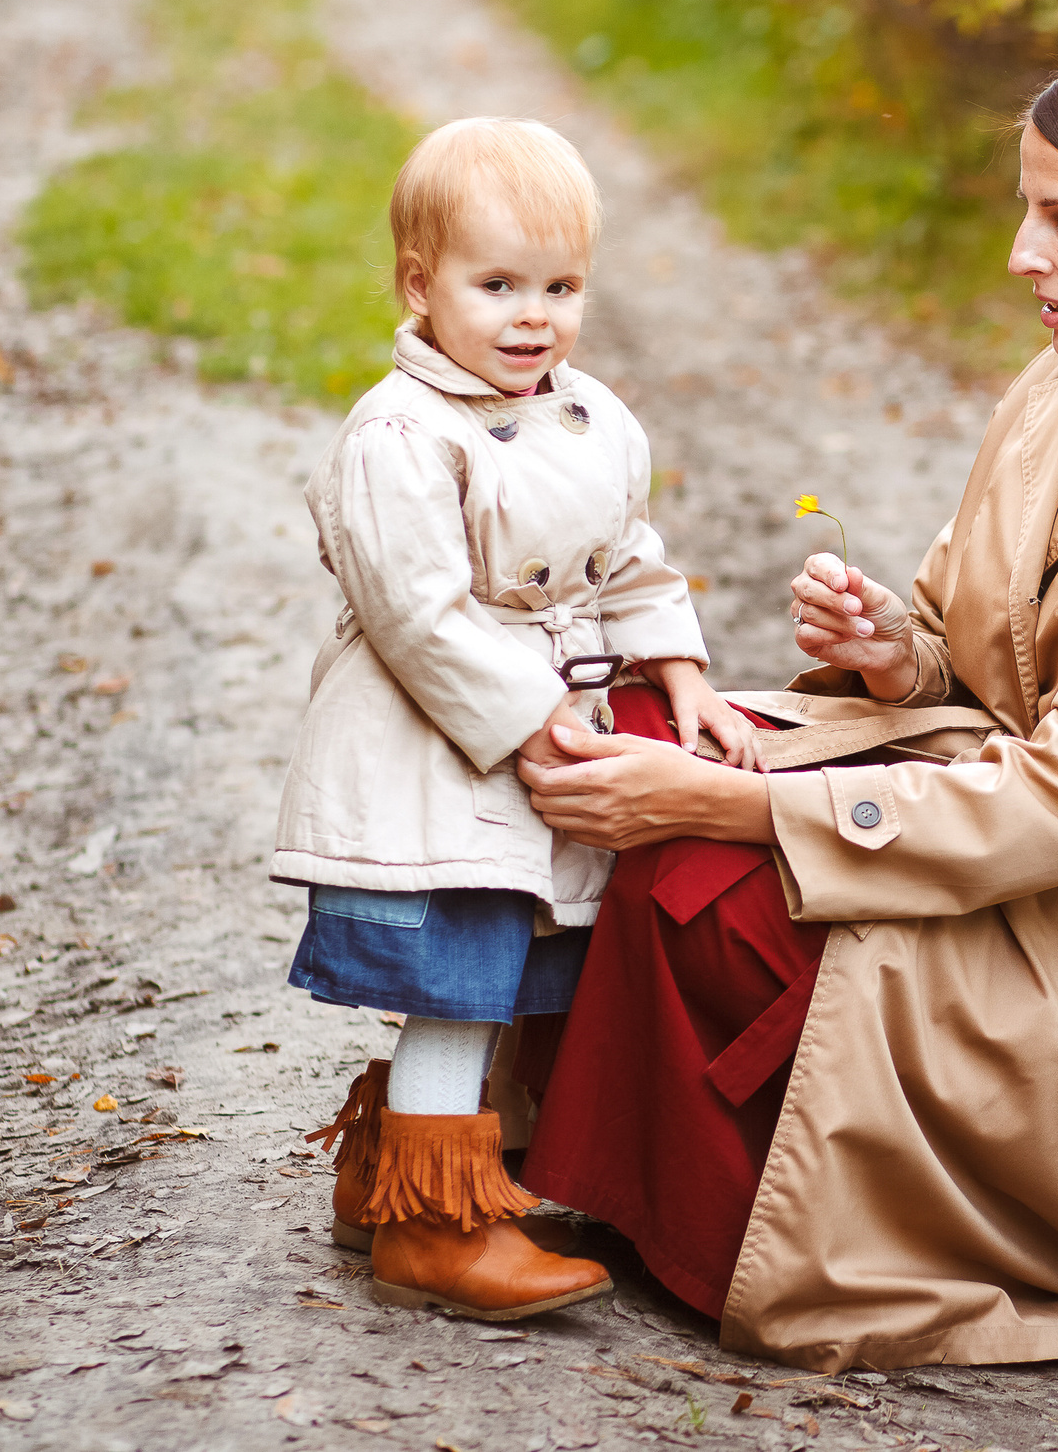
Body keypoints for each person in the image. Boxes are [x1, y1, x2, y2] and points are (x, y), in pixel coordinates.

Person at [516, 31, 1058, 1373]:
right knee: (630, 722)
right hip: (988, 814)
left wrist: (744, 807)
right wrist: (891, 651)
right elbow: (969, 642)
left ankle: (724, 1208)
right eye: (1028, 208)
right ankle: (461, 1131)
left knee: (702, 849)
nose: (1022, 254)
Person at [271, 116, 758, 1321]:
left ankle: (392, 1172)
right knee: (458, 970)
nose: (532, 317)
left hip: (533, 734)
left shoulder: (588, 416)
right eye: (496, 287)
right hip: (437, 742)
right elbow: (416, 617)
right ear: (418, 284)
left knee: (511, 960)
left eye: (560, 287)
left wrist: (678, 668)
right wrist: (537, 716)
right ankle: (433, 1231)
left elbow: (629, 559)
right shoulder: (399, 434)